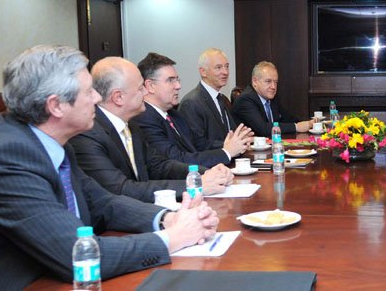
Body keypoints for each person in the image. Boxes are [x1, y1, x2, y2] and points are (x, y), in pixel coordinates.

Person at [0, 45, 219, 289]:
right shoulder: (5, 157)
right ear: (56, 105)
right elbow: (76, 255)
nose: (98, 98)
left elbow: (102, 203)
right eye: (89, 91)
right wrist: (173, 238)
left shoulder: (51, 141)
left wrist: (167, 218)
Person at [69, 57, 234, 203]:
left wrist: (204, 173)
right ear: (118, 97)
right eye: (140, 88)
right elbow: (122, 189)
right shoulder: (88, 136)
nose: (146, 92)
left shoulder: (131, 125)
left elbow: (159, 165)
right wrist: (194, 185)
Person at [132, 52, 252, 167]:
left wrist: (232, 144)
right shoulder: (144, 119)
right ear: (150, 86)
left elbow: (197, 145)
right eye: (170, 80)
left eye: (177, 80)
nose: (178, 86)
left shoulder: (173, 115)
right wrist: (226, 152)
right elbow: (176, 159)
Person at [178, 48, 239, 151]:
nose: (225, 72)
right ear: (203, 72)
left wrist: (241, 137)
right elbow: (198, 144)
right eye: (218, 67)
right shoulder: (191, 102)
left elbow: (229, 132)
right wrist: (230, 145)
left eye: (227, 66)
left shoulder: (222, 99)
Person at [232, 61, 313, 137]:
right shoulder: (246, 99)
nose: (273, 87)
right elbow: (263, 128)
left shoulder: (271, 97)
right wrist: (296, 127)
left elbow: (289, 119)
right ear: (255, 81)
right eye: (268, 81)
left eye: (275, 82)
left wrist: (309, 124)